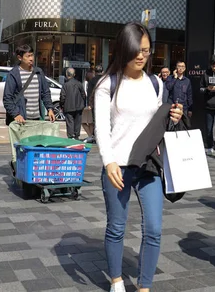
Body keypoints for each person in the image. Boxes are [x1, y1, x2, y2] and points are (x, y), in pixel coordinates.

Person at [94, 22, 183, 292]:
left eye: (146, 51)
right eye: (137, 51)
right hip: (118, 167)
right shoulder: (107, 84)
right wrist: (108, 161)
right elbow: (101, 128)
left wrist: (174, 117)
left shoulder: (155, 83)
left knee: (154, 229)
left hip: (148, 165)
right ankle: (117, 280)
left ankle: (145, 287)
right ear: (124, 49)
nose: (142, 56)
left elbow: (158, 123)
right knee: (116, 228)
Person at [3, 44, 56, 125]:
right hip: (21, 120)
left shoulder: (38, 72)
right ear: (19, 58)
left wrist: (50, 108)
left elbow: (45, 93)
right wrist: (16, 114)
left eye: (32, 55)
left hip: (37, 119)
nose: (31, 59)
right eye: (28, 56)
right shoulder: (13, 74)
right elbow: (7, 98)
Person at [60, 68, 87, 139]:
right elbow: (83, 95)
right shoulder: (79, 84)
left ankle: (70, 136)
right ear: (74, 75)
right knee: (78, 122)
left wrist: (61, 105)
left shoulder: (65, 85)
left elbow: (62, 97)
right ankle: (76, 136)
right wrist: (83, 104)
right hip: (79, 106)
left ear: (66, 74)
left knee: (70, 122)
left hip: (68, 106)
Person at [84, 64, 104, 143]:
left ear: (95, 72)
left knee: (95, 120)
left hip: (95, 103)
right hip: (104, 103)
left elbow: (89, 93)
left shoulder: (92, 81)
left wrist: (89, 104)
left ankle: (96, 137)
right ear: (102, 72)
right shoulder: (105, 80)